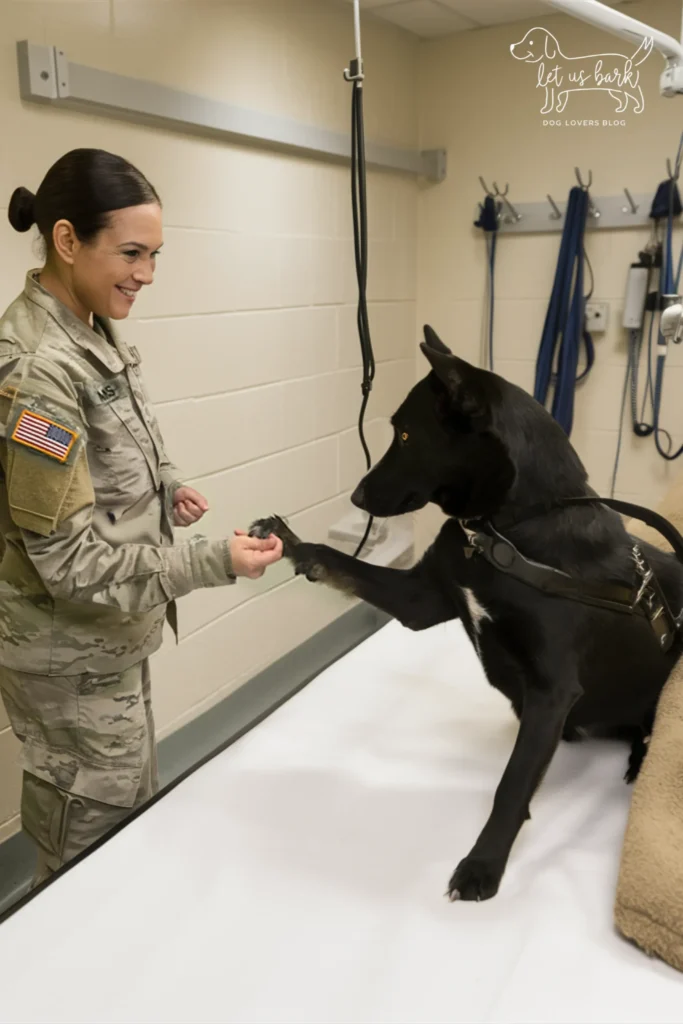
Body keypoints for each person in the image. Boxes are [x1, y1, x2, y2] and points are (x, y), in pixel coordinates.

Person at [0, 148, 283, 887]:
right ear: (67, 240)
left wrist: (165, 484)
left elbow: (111, 446)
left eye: (154, 255)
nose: (147, 275)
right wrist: (210, 560)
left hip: (109, 642)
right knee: (92, 864)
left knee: (123, 829)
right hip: (70, 659)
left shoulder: (89, 329)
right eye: (131, 253)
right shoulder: (40, 371)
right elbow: (68, 562)